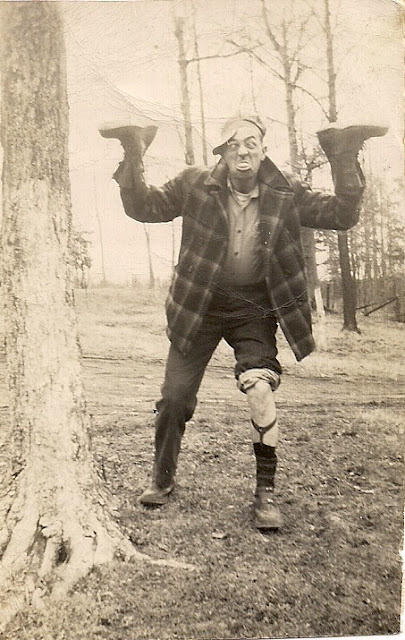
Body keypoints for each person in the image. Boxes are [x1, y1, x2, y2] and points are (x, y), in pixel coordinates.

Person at [100, 116, 387, 529]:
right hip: (198, 305)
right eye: (233, 144)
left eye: (251, 142)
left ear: (263, 151)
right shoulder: (196, 183)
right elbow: (144, 207)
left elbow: (342, 215)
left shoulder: (285, 190)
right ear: (222, 153)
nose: (242, 150)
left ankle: (265, 494)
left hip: (252, 308)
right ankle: (162, 479)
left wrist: (344, 158)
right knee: (175, 398)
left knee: (260, 389)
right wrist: (133, 151)